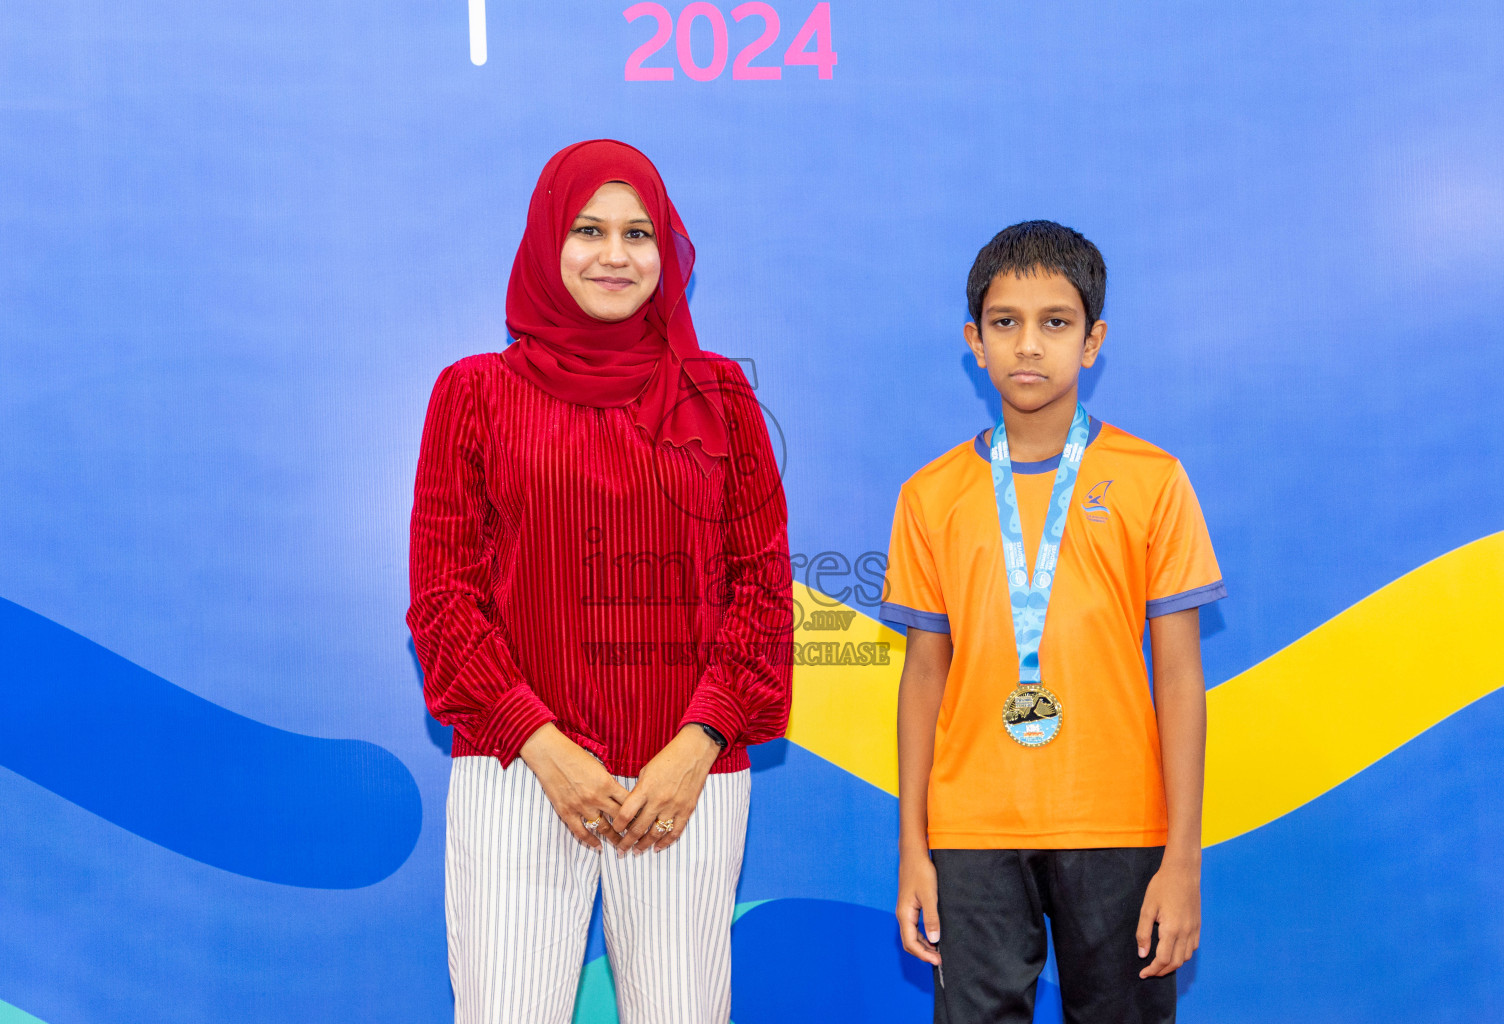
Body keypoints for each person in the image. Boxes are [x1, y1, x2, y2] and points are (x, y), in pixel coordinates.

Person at [407, 139, 792, 1024]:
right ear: (548, 241)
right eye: (588, 229)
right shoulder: (473, 394)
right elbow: (443, 599)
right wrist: (544, 748)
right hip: (520, 770)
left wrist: (697, 745)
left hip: (683, 781)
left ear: (669, 255)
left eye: (638, 233)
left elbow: (763, 593)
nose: (615, 254)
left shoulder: (722, 396)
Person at [886, 221, 1225, 1023]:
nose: (1028, 345)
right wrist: (913, 847)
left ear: (1093, 339)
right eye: (1005, 323)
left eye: (1055, 323)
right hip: (971, 832)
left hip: (1119, 823)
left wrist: (1183, 859)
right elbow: (923, 676)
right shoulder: (930, 494)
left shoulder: (1153, 480)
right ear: (974, 341)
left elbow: (1178, 676)